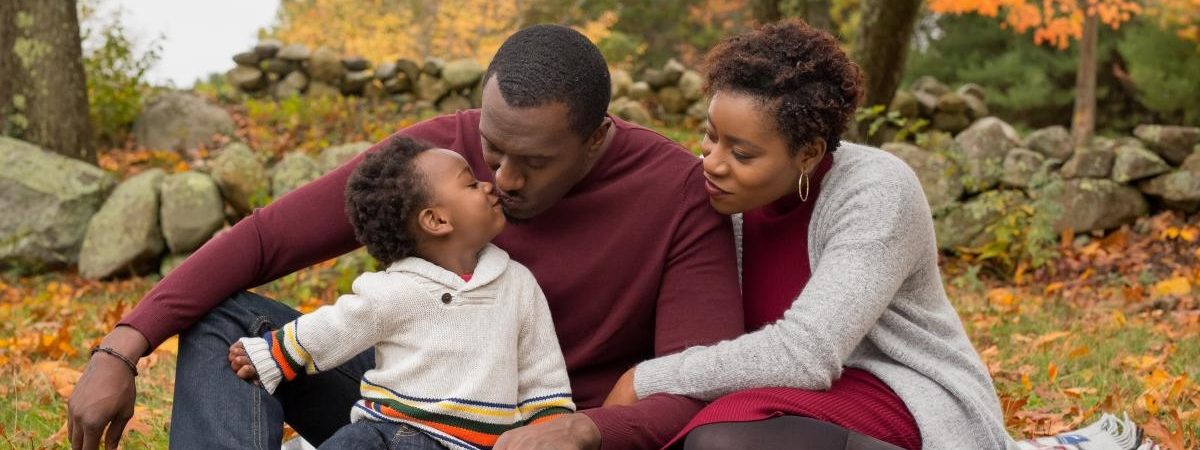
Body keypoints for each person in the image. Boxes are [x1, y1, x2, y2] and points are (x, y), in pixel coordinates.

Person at [67, 24, 744, 450]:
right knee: (225, 321)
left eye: (534, 163)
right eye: (492, 147)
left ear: (597, 137)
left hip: (532, 433)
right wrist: (121, 347)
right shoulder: (440, 156)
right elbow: (269, 238)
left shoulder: (679, 194)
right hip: (403, 411)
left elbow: (694, 381)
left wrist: (582, 429)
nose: (502, 178)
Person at [603, 19, 1015, 450]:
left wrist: (646, 378)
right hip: (784, 396)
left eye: (741, 153)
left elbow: (807, 354)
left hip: (905, 396)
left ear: (809, 153)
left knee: (719, 442)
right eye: (710, 136)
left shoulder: (877, 190)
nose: (713, 163)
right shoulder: (716, 197)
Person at [226, 136, 575, 449]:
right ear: (436, 221)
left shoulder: (518, 284)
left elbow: (541, 372)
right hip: (387, 432)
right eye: (471, 184)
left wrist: (552, 429)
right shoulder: (395, 290)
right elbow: (335, 327)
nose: (488, 185)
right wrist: (278, 353)